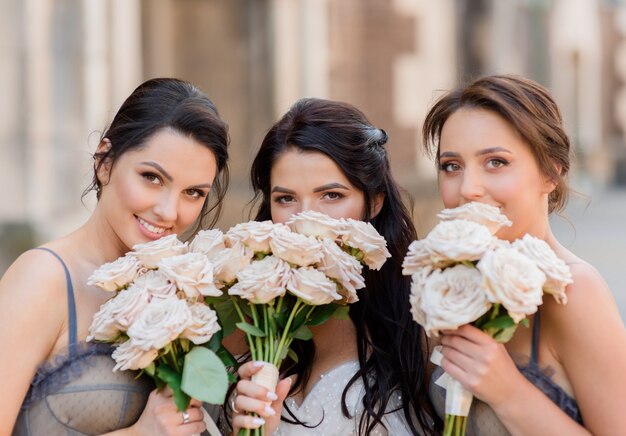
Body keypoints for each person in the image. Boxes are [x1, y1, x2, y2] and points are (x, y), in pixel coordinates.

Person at [0, 78, 230, 435]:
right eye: (152, 177)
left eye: (193, 193)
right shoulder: (43, 279)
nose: (169, 211)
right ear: (105, 162)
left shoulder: (189, 291)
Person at [422, 74, 626, 435]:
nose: (468, 189)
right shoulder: (449, 283)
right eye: (451, 166)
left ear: (551, 172)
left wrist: (509, 393)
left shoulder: (575, 291)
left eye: (496, 162)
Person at [226, 98, 439, 435]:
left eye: (331, 196)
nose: (306, 219)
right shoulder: (242, 318)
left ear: (375, 202)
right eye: (286, 199)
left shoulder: (420, 318)